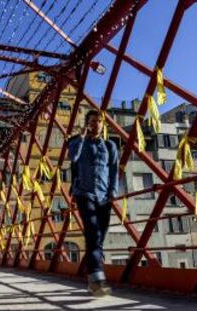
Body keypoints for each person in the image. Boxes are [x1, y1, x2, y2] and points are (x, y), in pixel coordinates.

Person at [67, 109, 118, 296]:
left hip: (104, 196)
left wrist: (113, 191)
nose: (96, 124)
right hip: (84, 193)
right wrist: (81, 136)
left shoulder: (110, 146)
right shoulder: (78, 142)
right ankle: (97, 279)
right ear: (87, 123)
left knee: (99, 236)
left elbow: (113, 171)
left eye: (99, 121)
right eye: (93, 121)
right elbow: (73, 157)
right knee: (93, 232)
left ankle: (92, 276)